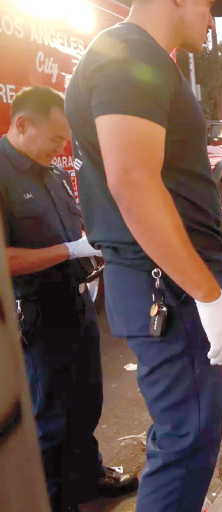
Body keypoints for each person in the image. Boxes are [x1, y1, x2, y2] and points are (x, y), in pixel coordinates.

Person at [63, 1, 222, 511]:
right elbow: (132, 181)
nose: (213, 20)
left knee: (181, 432)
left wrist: (215, 258)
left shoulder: (138, 54)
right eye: (210, 5)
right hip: (168, 289)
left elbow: (166, 184)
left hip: (167, 280)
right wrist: (204, 290)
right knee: (187, 442)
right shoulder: (131, 54)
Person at [1, 87, 137, 512]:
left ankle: (87, 477)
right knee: (49, 416)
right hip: (37, 318)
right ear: (22, 124)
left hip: (78, 305)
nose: (62, 148)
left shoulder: (51, 171)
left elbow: (77, 229)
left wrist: (92, 251)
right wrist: (68, 251)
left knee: (87, 401)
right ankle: (54, 499)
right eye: (56, 138)